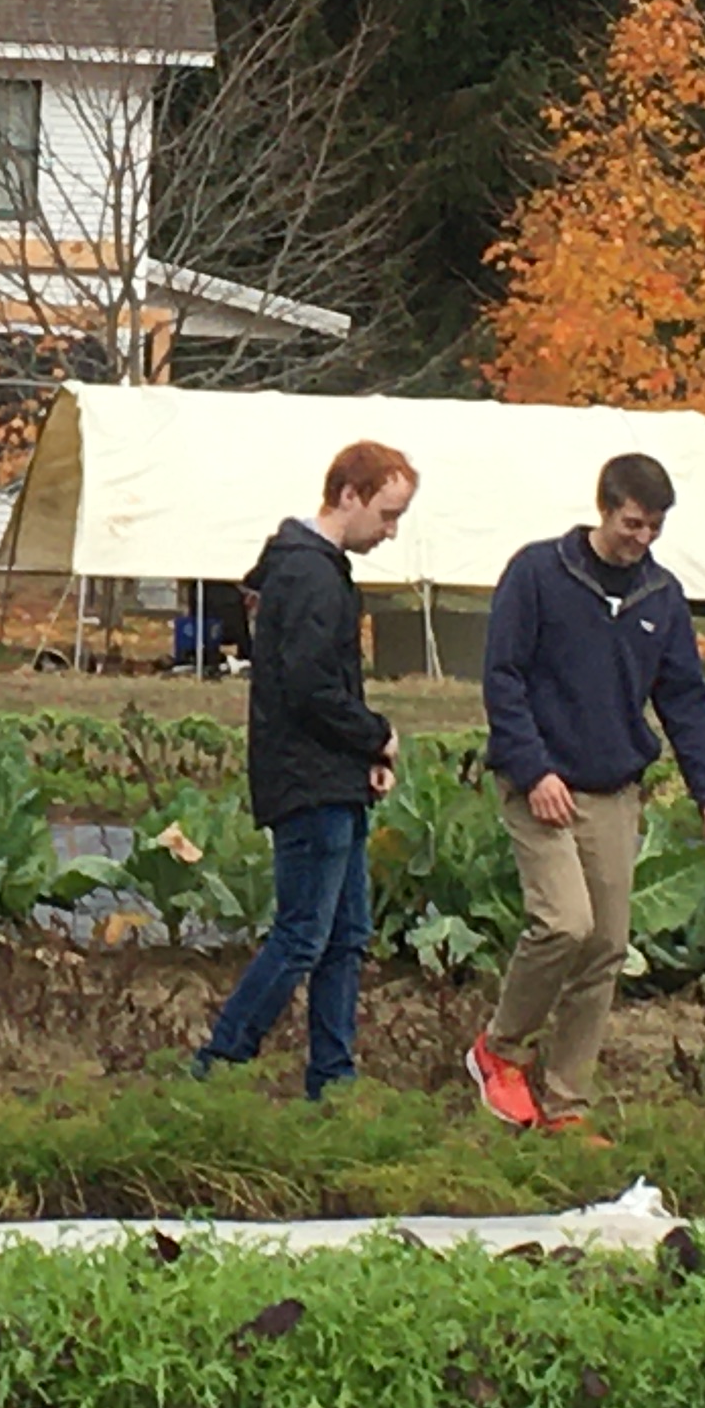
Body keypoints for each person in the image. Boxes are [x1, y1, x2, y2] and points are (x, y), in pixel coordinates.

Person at [464, 455, 705, 1141]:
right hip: (541, 783)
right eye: (632, 523)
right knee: (563, 923)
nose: (641, 538)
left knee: (606, 946)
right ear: (605, 509)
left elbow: (685, 699)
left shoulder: (660, 597)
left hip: (614, 787)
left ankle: (565, 1101)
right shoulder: (538, 574)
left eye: (654, 527)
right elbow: (503, 679)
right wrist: (533, 771)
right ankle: (501, 1048)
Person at [194, 441, 415, 1099]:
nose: (391, 530)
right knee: (302, 936)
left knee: (345, 936)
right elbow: (312, 688)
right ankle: (218, 1063)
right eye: (386, 513)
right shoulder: (314, 576)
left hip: (327, 775)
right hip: (308, 781)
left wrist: (361, 758)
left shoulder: (302, 567)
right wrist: (377, 736)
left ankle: (334, 1079)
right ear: (348, 495)